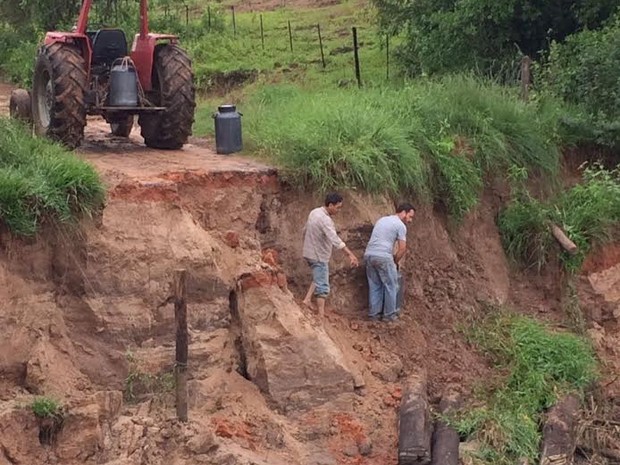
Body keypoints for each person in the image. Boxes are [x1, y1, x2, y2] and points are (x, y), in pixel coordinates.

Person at [302, 193, 359, 320]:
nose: (338, 210)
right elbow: (335, 239)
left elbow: (305, 230)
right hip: (318, 255)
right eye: (338, 207)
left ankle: (307, 300)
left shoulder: (314, 212)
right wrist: (350, 254)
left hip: (309, 252)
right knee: (322, 284)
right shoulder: (325, 220)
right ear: (330, 205)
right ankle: (321, 315)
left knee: (318, 277)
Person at [364, 203, 416, 322]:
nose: (410, 220)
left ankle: (374, 315)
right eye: (410, 216)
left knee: (375, 285)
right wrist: (395, 261)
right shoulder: (400, 225)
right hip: (383, 256)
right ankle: (389, 316)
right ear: (403, 212)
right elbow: (402, 248)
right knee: (392, 285)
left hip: (369, 255)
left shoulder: (382, 220)